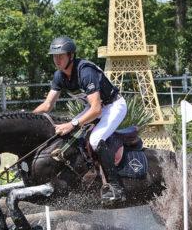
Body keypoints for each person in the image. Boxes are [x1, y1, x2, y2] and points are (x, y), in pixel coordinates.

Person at [33, 36, 127, 203]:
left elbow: (97, 109)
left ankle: (116, 188)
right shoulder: (59, 76)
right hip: (92, 108)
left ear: (71, 55)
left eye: (61, 56)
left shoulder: (85, 72)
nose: (57, 60)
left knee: (96, 139)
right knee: (63, 136)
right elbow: (47, 105)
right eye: (54, 56)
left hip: (113, 106)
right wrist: (26, 117)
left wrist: (72, 123)